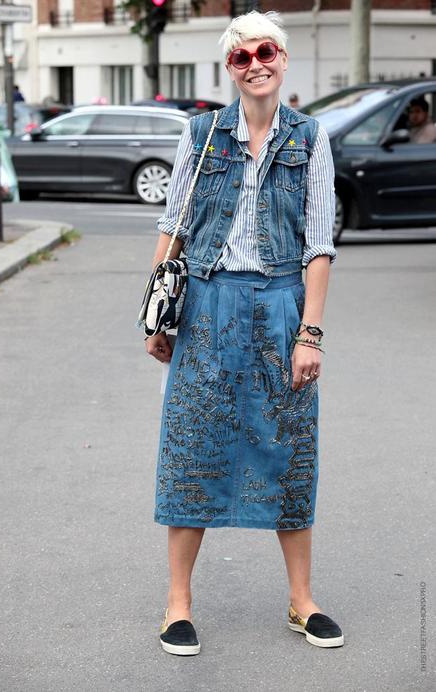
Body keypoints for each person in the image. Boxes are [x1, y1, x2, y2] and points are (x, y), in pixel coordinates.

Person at [144, 10, 343, 656]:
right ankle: (178, 604)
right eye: (242, 56)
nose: (256, 63)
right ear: (230, 68)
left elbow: (319, 245)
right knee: (192, 448)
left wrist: (308, 334)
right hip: (206, 304)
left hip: (282, 306)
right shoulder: (202, 135)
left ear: (283, 60)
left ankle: (301, 600)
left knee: (290, 452)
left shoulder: (310, 140)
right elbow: (172, 225)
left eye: (266, 52)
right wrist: (156, 313)